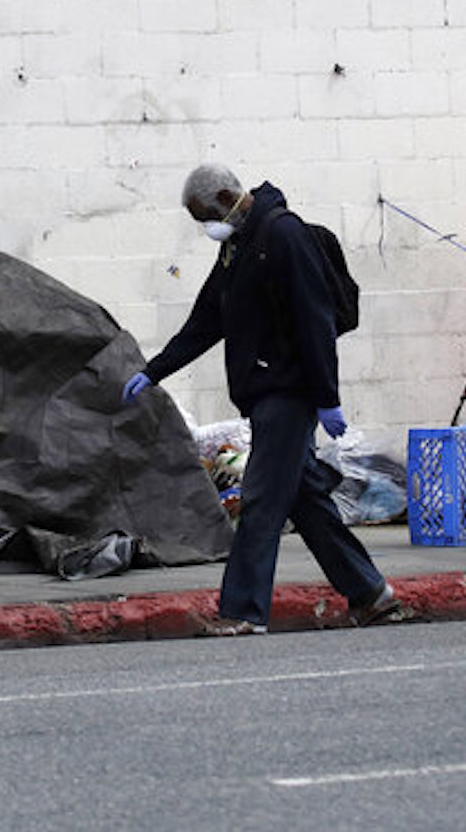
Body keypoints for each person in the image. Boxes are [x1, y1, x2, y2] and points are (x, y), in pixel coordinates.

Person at [121, 163, 408, 635]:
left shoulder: (283, 236)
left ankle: (243, 611)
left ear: (227, 197)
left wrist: (325, 397)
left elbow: (313, 320)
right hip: (266, 394)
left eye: (203, 216)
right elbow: (207, 320)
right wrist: (153, 372)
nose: (204, 228)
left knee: (259, 502)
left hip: (289, 393)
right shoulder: (237, 246)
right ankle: (372, 596)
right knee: (306, 502)